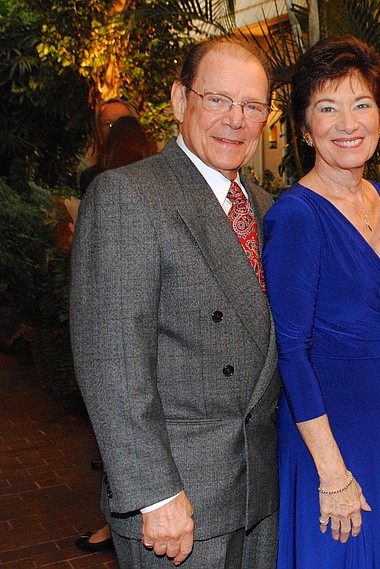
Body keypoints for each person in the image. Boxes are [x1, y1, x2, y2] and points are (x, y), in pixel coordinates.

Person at [70, 37, 280, 568]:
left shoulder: (264, 206)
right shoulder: (128, 196)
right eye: (218, 100)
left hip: (257, 489)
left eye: (252, 106)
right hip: (177, 502)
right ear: (180, 101)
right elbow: (111, 360)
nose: (236, 119)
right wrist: (154, 494)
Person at [262, 37, 380, 569]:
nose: (347, 123)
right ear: (306, 129)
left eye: (361, 105)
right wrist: (331, 473)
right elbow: (291, 350)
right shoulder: (296, 216)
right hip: (330, 435)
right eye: (326, 108)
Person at [73, 114, 157, 556]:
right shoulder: (110, 191)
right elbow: (111, 354)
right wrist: (153, 494)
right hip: (161, 486)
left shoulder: (255, 203)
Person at [79, 98, 140, 195]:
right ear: (98, 130)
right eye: (109, 124)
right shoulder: (91, 177)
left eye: (122, 123)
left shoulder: (150, 171)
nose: (116, 129)